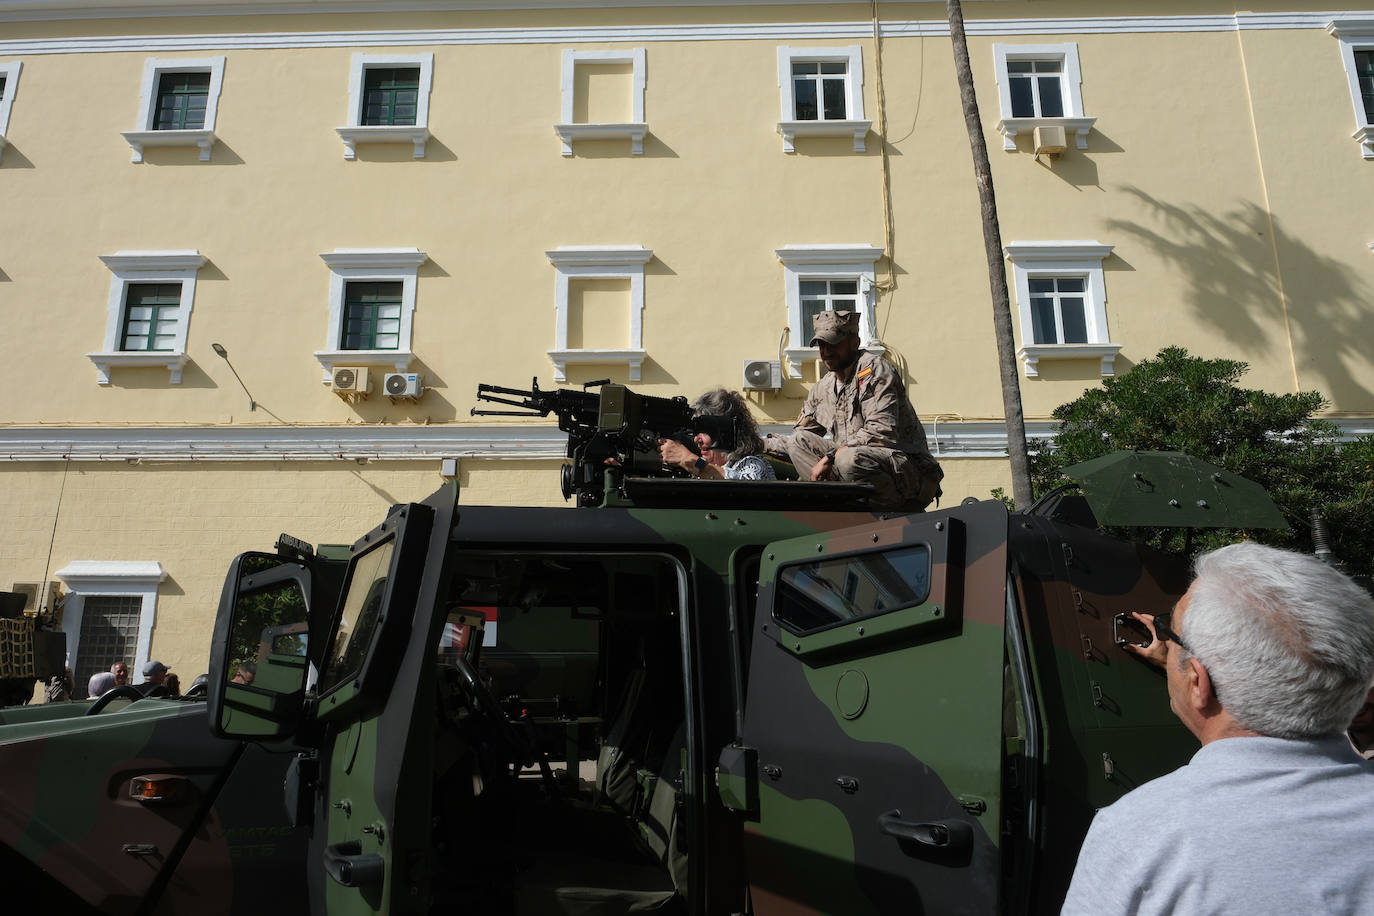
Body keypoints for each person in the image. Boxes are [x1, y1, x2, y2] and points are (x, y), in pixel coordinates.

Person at [1061, 542, 1374, 915]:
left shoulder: (1138, 834)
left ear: (1198, 681)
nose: (1164, 638)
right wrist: (1185, 665)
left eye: (1170, 631)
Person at [764, 310, 942, 510]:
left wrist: (830, 457)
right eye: (821, 345)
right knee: (798, 441)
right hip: (852, 470)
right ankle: (835, 506)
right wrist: (754, 443)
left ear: (854, 343)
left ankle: (882, 510)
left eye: (833, 344)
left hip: (907, 476)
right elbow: (800, 437)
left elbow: (882, 433)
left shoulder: (874, 370)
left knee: (849, 459)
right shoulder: (823, 387)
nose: (826, 351)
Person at [657, 388, 776, 481]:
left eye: (704, 430)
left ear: (725, 432)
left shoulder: (753, 465)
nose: (696, 439)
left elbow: (745, 486)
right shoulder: (706, 468)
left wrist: (686, 459)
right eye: (696, 431)